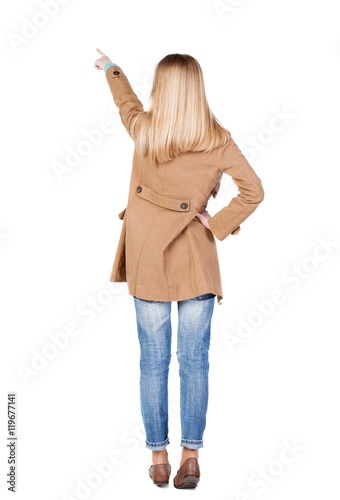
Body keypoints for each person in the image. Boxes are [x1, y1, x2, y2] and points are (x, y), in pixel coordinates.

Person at [94, 48, 264, 489]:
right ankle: (191, 457)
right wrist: (218, 222)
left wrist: (112, 70)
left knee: (152, 361)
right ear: (197, 90)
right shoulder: (218, 139)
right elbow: (254, 191)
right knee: (195, 362)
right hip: (196, 262)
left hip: (149, 260)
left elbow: (126, 103)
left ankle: (158, 458)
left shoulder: (146, 132)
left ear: (162, 90)